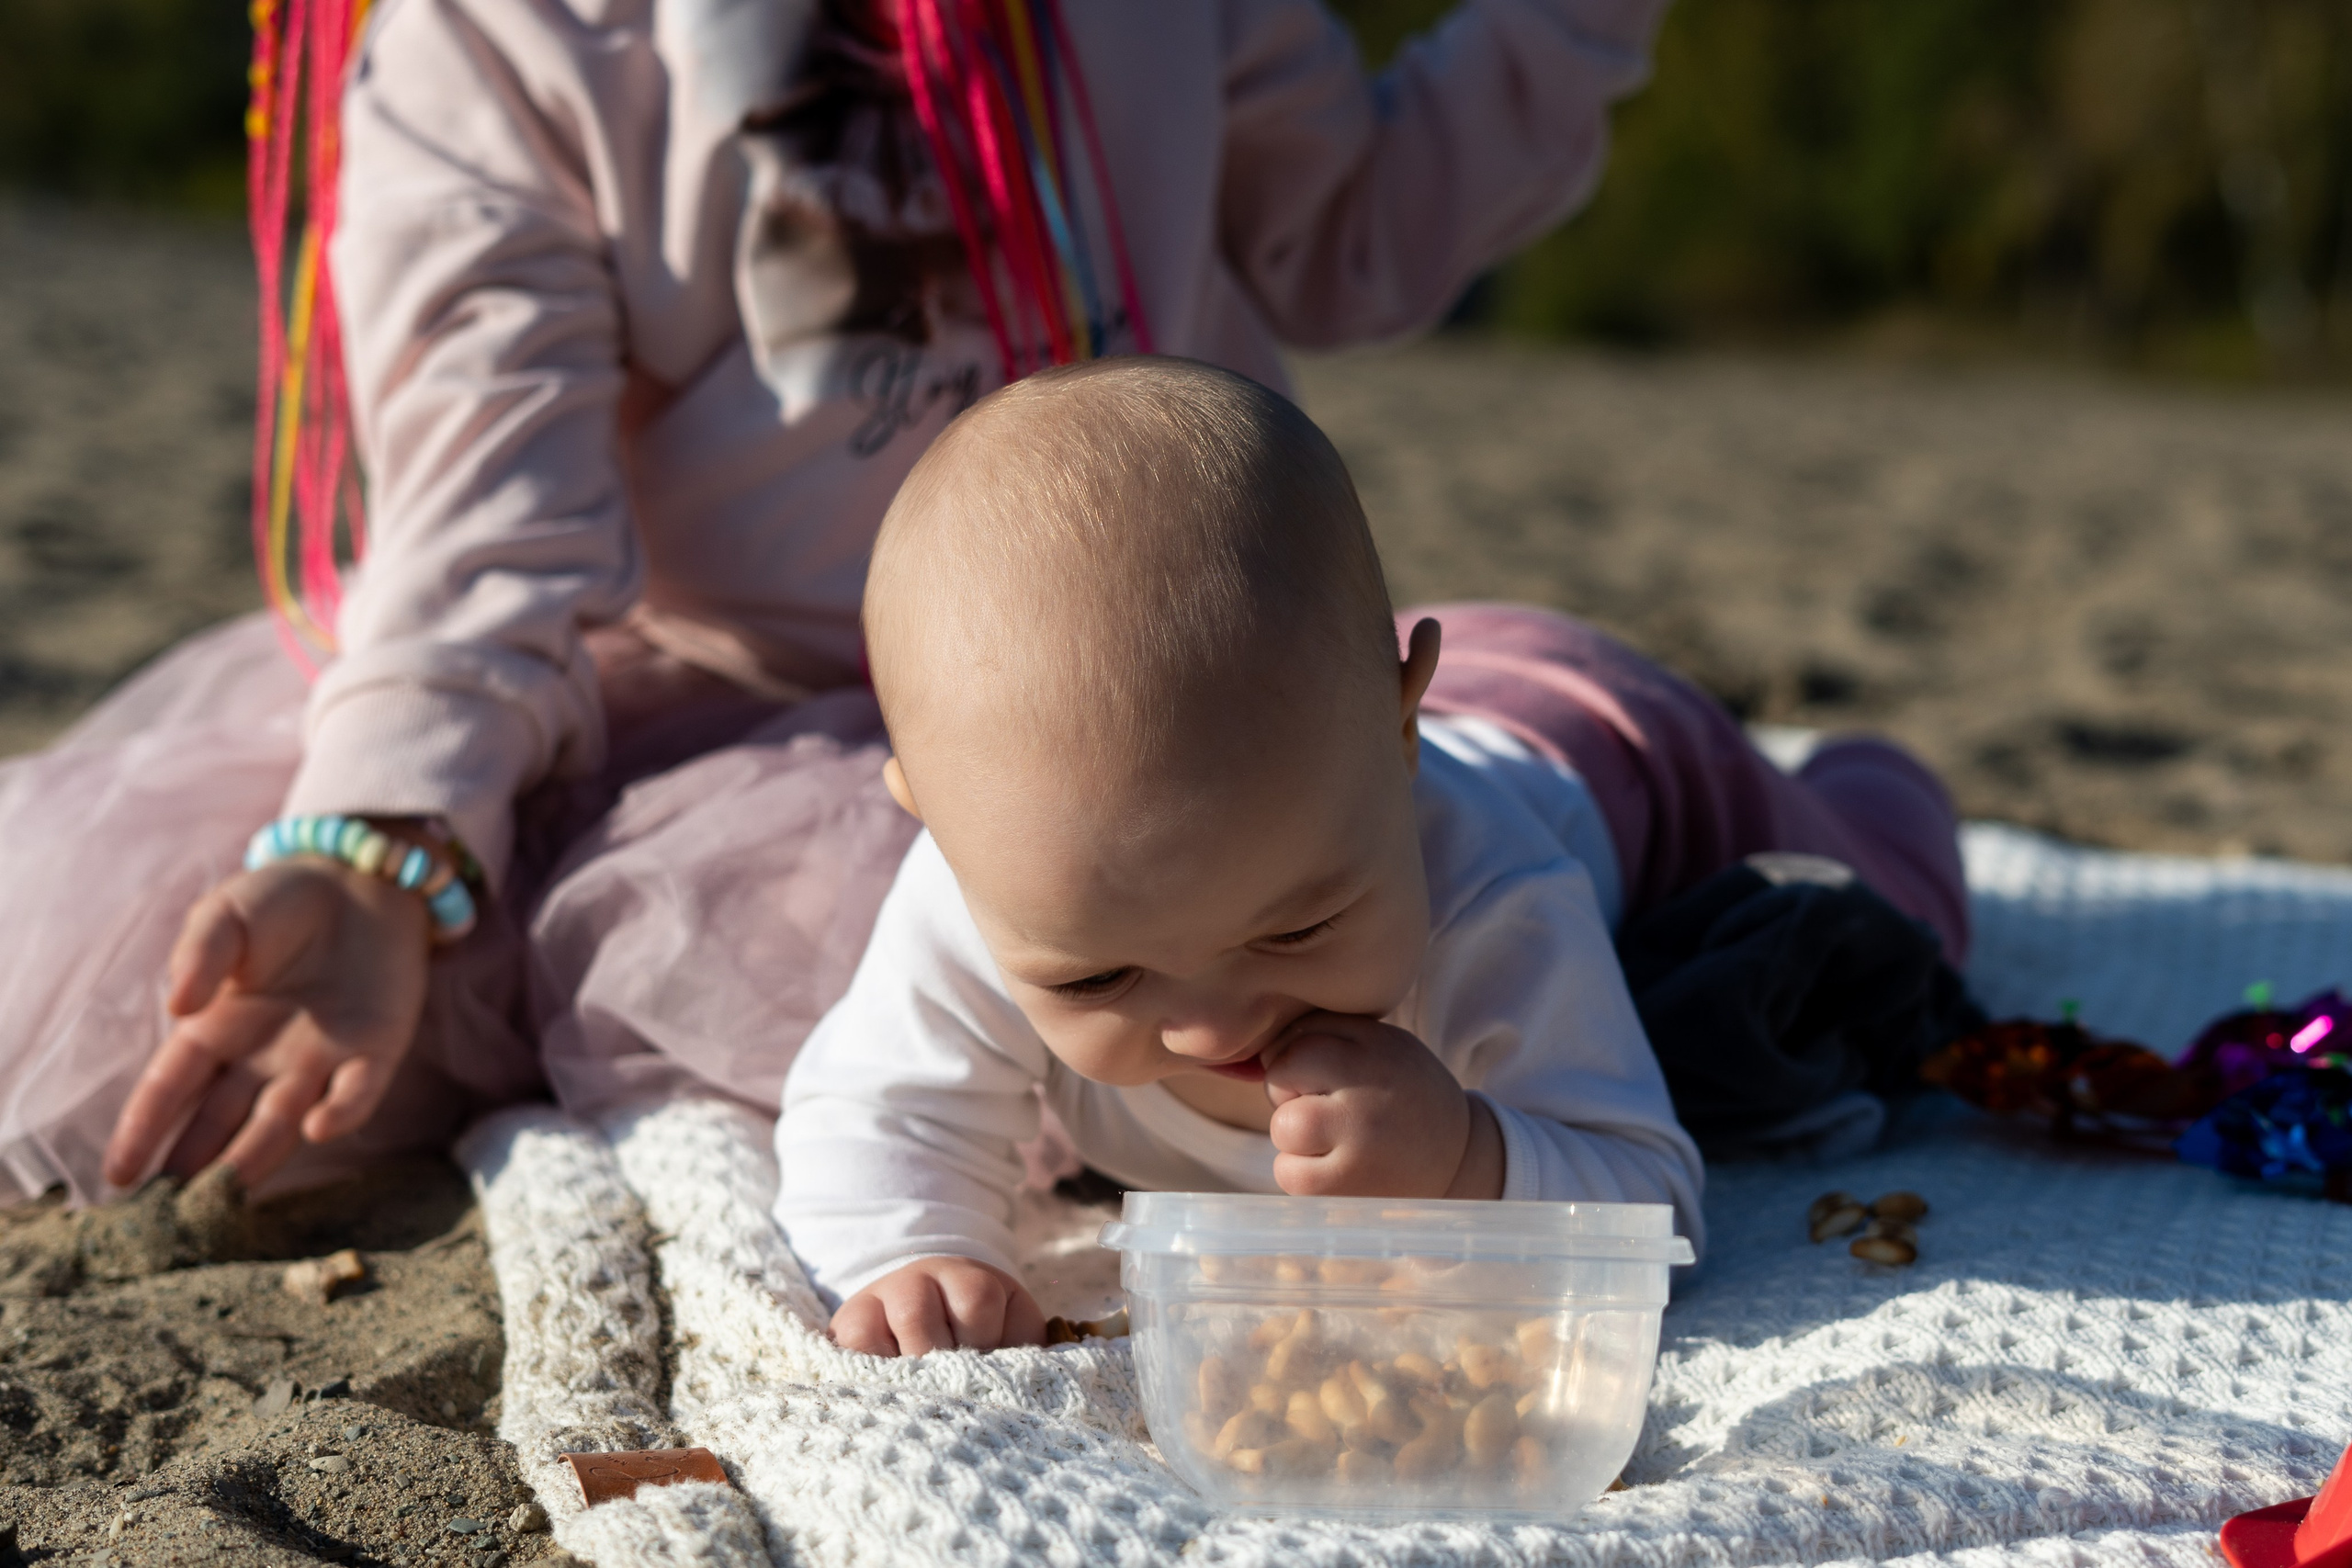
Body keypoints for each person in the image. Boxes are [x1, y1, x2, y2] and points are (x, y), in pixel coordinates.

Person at [0, 0, 1680, 1206]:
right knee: (264, 971)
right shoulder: (504, 39)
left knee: (1378, 847)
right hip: (702, 711)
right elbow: (484, 519)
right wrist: (392, 832)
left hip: (1165, 697)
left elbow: (1355, 235)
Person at [772, 357, 1970, 1358]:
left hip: (1610, 744)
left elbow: (1650, 1204)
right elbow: (874, 1112)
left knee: (1891, 911)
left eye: (1294, 928)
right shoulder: (990, 882)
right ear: (935, 822)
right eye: (1093, 981)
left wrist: (1464, 1155)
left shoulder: (1492, 890)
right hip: (1328, 700)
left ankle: (1877, 777)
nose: (1210, 1027)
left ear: (1403, 737)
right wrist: (914, 1253)